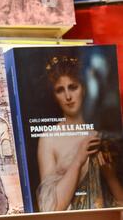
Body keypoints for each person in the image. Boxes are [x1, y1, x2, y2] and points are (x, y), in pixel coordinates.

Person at [37, 56, 123, 211]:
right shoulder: (48, 139)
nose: (68, 97)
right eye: (60, 90)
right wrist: (78, 160)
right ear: (54, 96)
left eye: (73, 87)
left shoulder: (100, 137)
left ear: (83, 88)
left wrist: (109, 176)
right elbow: (50, 208)